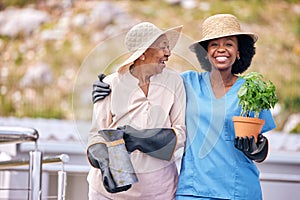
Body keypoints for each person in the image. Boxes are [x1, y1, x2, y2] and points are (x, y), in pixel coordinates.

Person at [92, 14, 276, 200]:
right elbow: (145, 74)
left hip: (240, 189)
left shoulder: (251, 90)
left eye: (229, 44)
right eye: (214, 45)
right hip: (193, 190)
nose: (221, 50)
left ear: (239, 52)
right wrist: (107, 85)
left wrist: (257, 149)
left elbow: (262, 149)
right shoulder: (188, 82)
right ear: (205, 52)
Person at [87, 22, 186, 200]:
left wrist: (141, 138)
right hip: (110, 194)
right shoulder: (111, 84)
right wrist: (104, 162)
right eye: (163, 47)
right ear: (142, 54)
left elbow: (181, 132)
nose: (168, 53)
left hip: (160, 192)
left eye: (168, 47)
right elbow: (97, 134)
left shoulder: (174, 82)